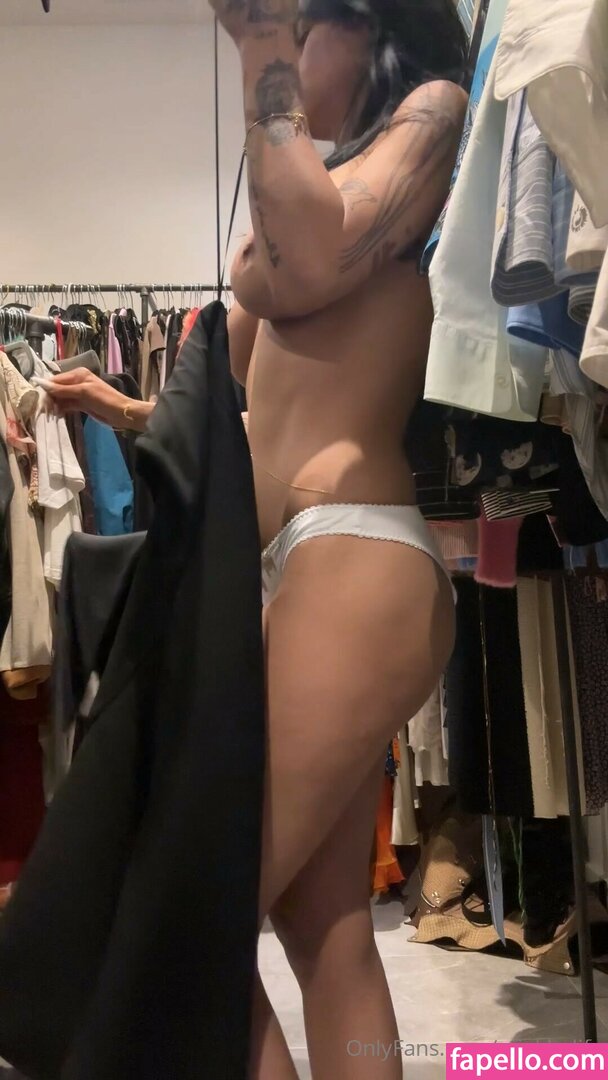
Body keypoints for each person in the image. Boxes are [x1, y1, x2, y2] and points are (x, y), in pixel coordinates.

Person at [45, 0, 468, 1075]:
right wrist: (119, 407)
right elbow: (259, 405)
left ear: (366, 29)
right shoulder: (328, 176)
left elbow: (312, 262)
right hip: (310, 562)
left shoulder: (429, 115)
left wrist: (260, 53)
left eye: (308, 25)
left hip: (354, 551)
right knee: (322, 931)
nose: (294, 41)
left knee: (191, 915)